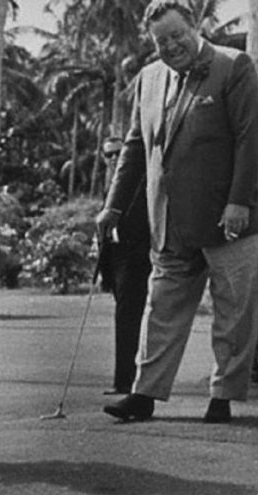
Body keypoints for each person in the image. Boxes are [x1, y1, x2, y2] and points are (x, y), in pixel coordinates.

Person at [96, 0, 258, 424]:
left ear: (195, 25)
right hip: (170, 221)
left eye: (177, 35)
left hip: (229, 220)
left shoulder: (234, 66)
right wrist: (113, 207)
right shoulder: (149, 79)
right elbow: (136, 146)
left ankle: (222, 397)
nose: (171, 46)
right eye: (161, 41)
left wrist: (238, 202)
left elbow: (251, 139)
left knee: (233, 314)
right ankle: (144, 394)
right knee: (161, 310)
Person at [98, 137, 151, 395]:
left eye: (118, 153)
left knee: (131, 318)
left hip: (137, 253)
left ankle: (127, 381)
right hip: (115, 257)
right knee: (123, 317)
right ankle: (123, 379)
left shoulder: (138, 182)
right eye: (108, 155)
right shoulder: (107, 186)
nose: (113, 158)